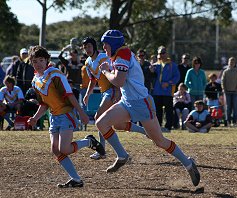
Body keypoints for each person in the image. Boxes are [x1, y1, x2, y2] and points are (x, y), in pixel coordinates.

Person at [97, 29, 200, 186]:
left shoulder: (123, 54)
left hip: (141, 103)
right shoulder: (119, 54)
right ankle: (122, 155)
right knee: (102, 123)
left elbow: (118, 80)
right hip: (128, 101)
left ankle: (188, 163)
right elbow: (123, 82)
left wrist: (105, 71)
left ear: (113, 43)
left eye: (105, 44)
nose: (104, 48)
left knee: (160, 141)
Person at [26, 45, 105, 188]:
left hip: (66, 114)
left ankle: (89, 142)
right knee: (55, 150)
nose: (38, 64)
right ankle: (76, 179)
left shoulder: (55, 74)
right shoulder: (35, 81)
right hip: (54, 117)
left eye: (41, 60)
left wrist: (81, 113)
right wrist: (35, 118)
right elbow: (44, 104)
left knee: (65, 149)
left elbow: (69, 95)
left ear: (47, 60)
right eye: (35, 61)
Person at [82, 37, 146, 160]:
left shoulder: (103, 58)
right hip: (105, 92)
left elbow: (116, 73)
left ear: (94, 46)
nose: (87, 49)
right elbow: (93, 80)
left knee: (98, 118)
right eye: (85, 48)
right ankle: (145, 131)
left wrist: (117, 91)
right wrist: (87, 94)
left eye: (89, 46)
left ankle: (101, 151)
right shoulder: (88, 62)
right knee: (118, 125)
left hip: (111, 91)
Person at [151, 46, 180, 131]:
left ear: (166, 54)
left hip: (168, 92)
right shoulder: (155, 65)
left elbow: (177, 77)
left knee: (169, 111)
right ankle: (158, 126)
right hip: (157, 92)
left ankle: (168, 127)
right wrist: (151, 71)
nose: (161, 55)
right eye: (160, 53)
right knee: (158, 111)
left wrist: (168, 83)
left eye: (163, 53)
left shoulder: (172, 65)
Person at [221, 57, 237, 127]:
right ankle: (228, 121)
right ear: (228, 63)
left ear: (235, 63)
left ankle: (235, 122)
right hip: (227, 92)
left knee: (235, 107)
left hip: (235, 92)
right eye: (230, 62)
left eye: (233, 62)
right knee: (228, 107)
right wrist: (224, 89)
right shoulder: (225, 71)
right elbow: (222, 81)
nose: (231, 63)